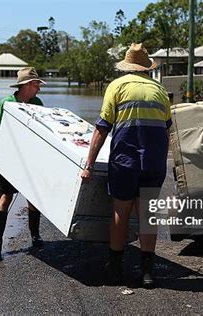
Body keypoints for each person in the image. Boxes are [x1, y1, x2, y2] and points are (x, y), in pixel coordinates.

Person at [81, 43, 172, 288]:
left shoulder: (117, 86)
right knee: (147, 215)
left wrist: (89, 164)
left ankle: (115, 269)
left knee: (120, 212)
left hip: (125, 160)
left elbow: (102, 128)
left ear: (127, 66)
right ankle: (147, 273)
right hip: (153, 162)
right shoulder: (160, 90)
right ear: (146, 68)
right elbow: (167, 128)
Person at [0, 67, 46, 261]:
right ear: (26, 85)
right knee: (5, 197)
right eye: (36, 85)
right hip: (10, 159)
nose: (39, 88)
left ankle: (35, 236)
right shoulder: (6, 103)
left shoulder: (37, 103)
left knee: (33, 198)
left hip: (31, 159)